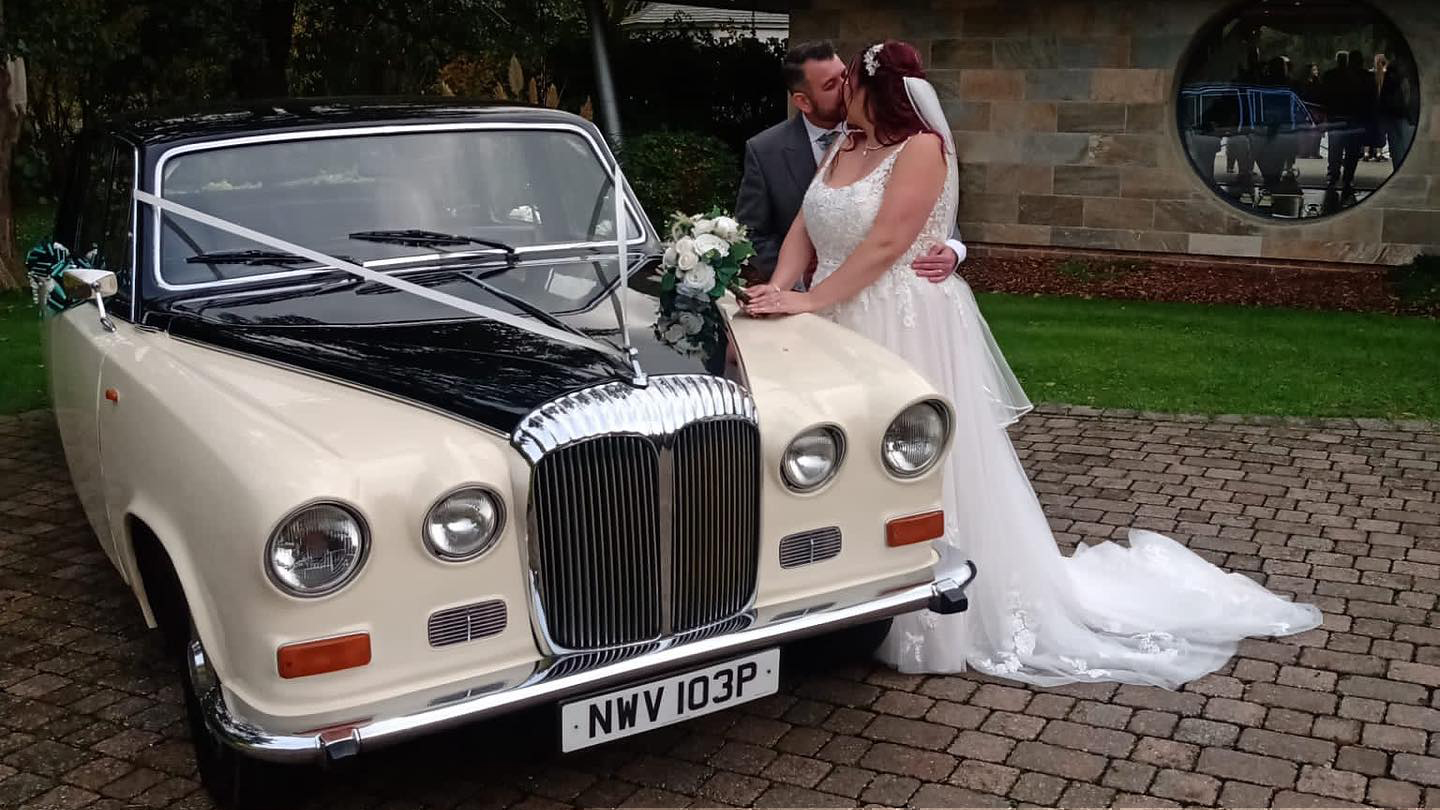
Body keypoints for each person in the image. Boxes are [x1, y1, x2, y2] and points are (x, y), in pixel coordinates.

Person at [743, 40, 1321, 687]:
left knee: (914, 457)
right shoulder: (844, 148)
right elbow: (805, 225)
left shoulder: (923, 150)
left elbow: (889, 240)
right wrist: (785, 292)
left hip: (900, 315)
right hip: (837, 321)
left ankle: (929, 612)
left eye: (847, 81)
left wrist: (811, 296)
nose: (839, 92)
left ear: (873, 88)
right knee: (842, 460)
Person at [735, 41, 963, 289]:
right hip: (810, 289)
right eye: (831, 85)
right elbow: (755, 230)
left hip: (893, 290)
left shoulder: (915, 144)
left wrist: (952, 248)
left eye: (845, 75)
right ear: (803, 101)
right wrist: (792, 283)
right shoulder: (768, 150)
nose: (846, 86)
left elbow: (932, 210)